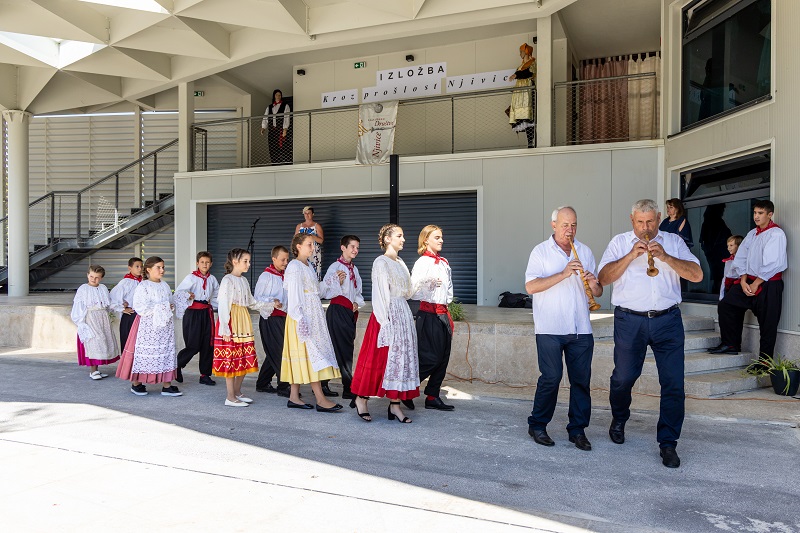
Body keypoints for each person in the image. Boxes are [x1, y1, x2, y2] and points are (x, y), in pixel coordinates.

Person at [598, 199, 702, 468]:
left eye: (651, 221)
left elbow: (697, 275)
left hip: (668, 320)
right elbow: (604, 278)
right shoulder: (620, 242)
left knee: (673, 384)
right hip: (629, 320)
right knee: (623, 378)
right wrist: (631, 255)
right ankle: (619, 417)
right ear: (632, 219)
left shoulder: (674, 241)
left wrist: (666, 256)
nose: (646, 228)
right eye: (640, 222)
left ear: (658, 218)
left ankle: (668, 443)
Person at [525, 207, 602, 451]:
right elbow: (531, 286)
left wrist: (592, 282)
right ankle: (537, 424)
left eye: (574, 225)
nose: (570, 230)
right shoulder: (540, 251)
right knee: (551, 378)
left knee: (581, 381)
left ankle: (577, 430)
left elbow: (598, 292)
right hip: (550, 326)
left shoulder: (586, 251)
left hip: (580, 327)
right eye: (565, 225)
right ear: (554, 225)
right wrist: (563, 273)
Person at [350, 224, 429, 424]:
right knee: (379, 358)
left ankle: (395, 405)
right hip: (387, 314)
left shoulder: (401, 263)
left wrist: (424, 283)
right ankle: (361, 399)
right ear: (387, 239)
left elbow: (408, 292)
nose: (403, 239)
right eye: (399, 236)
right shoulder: (381, 262)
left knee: (401, 361)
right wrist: (384, 322)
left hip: (402, 313)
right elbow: (379, 294)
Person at [710, 201, 786, 362]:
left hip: (768, 284)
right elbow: (741, 257)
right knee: (727, 305)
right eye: (755, 213)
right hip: (747, 280)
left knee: (767, 324)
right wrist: (743, 280)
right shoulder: (752, 234)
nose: (756, 216)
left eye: (760, 213)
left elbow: (774, 263)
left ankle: (764, 363)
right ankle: (730, 344)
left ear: (770, 214)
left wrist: (756, 283)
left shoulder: (776, 234)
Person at [280, 233, 343, 412]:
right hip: (302, 316)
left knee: (306, 354)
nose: (313, 248)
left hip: (313, 314)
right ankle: (321, 399)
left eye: (313, 245)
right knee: (311, 353)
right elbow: (293, 294)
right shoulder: (294, 266)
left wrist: (332, 281)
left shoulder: (309, 266)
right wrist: (300, 318)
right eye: (309, 244)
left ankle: (294, 396)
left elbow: (317, 291)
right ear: (298, 246)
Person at [115, 256, 183, 397]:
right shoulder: (143, 286)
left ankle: (167, 385)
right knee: (147, 355)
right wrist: (163, 307)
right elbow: (141, 307)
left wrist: (176, 301)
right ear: (148, 269)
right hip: (148, 327)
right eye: (158, 267)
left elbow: (169, 302)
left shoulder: (164, 285)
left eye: (163, 267)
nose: (162, 270)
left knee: (165, 354)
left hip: (165, 327)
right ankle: (137, 384)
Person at [406, 225, 455, 412]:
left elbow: (449, 290)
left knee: (443, 358)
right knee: (430, 358)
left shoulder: (444, 262)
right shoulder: (422, 263)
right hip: (429, 314)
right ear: (426, 240)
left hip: (443, 313)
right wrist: (428, 284)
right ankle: (406, 390)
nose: (441, 240)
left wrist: (447, 310)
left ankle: (432, 397)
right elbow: (413, 291)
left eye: (441, 237)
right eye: (436, 237)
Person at [213, 248, 270, 407]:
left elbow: (251, 302)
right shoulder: (227, 280)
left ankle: (237, 391)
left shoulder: (243, 280)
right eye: (245, 261)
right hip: (231, 320)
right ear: (235, 261)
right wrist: (224, 327)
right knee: (231, 358)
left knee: (244, 357)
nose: (249, 264)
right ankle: (230, 397)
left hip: (242, 319)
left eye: (249, 261)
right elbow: (223, 304)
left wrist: (269, 305)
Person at [319, 235, 365, 400]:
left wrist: (355, 303)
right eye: (352, 246)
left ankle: (323, 383)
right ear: (343, 247)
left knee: (343, 347)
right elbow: (324, 291)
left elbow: (357, 291)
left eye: (357, 247)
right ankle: (348, 387)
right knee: (342, 348)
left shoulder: (355, 269)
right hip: (337, 310)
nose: (355, 250)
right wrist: (335, 280)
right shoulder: (335, 267)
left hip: (348, 312)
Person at [174, 251, 219, 386]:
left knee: (208, 345)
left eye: (207, 262)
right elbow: (178, 293)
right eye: (202, 262)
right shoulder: (191, 278)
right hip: (193, 313)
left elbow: (217, 295)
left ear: (211, 264)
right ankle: (177, 366)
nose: (205, 265)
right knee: (193, 345)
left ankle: (205, 375)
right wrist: (188, 294)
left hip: (206, 313)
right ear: (197, 263)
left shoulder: (212, 279)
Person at [71, 265, 120, 380]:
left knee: (103, 341)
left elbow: (108, 303)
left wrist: (120, 306)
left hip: (102, 317)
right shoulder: (83, 289)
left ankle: (97, 369)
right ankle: (93, 371)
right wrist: (81, 322)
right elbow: (79, 305)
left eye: (97, 277)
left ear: (101, 278)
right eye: (91, 276)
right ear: (87, 275)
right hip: (90, 317)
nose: (93, 279)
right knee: (94, 341)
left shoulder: (103, 288)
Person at [254, 245, 291, 397]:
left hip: (283, 317)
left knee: (274, 351)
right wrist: (272, 301)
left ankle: (262, 382)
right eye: (282, 260)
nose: (285, 262)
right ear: (274, 259)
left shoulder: (286, 275)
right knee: (280, 351)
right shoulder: (266, 276)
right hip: (270, 318)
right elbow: (257, 298)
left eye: (287, 259)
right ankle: (283, 386)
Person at [110, 257, 143, 352]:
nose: (140, 269)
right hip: (130, 314)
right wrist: (122, 308)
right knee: (128, 341)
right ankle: (127, 365)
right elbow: (113, 298)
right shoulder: (125, 282)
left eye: (141, 266)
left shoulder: (144, 282)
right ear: (130, 268)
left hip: (141, 314)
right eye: (137, 266)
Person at [508, 43, 537, 148]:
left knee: (528, 117)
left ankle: (531, 141)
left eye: (521, 51)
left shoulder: (532, 63)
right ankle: (529, 141)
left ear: (526, 52)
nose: (520, 53)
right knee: (523, 117)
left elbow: (528, 74)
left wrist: (516, 75)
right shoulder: (520, 66)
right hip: (520, 94)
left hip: (527, 91)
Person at [699, 203, 732, 295]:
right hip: (719, 254)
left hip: (713, 254)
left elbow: (701, 241)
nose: (722, 212)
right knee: (720, 277)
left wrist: (708, 251)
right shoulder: (718, 222)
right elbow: (726, 236)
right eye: (722, 210)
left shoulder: (706, 223)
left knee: (717, 277)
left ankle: (716, 293)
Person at [260, 89, 291, 165]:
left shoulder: (285, 106)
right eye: (276, 95)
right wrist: (263, 127)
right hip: (272, 131)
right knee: (272, 147)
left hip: (280, 130)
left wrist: (285, 129)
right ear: (274, 96)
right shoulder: (269, 107)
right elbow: (265, 118)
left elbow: (287, 117)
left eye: (279, 95)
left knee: (281, 148)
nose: (278, 96)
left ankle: (282, 163)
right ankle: (274, 163)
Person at [295, 206, 324, 280]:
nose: (307, 215)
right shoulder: (299, 226)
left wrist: (313, 237)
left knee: (314, 271)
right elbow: (295, 240)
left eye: (309, 213)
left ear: (313, 214)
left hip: (314, 253)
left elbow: (321, 240)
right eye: (305, 213)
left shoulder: (316, 226)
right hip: (302, 252)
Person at [718, 235, 744, 301]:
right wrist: (721, 295)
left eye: (731, 245)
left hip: (739, 288)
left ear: (739, 246)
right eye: (728, 246)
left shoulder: (744, 260)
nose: (728, 248)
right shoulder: (728, 261)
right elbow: (725, 277)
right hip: (728, 288)